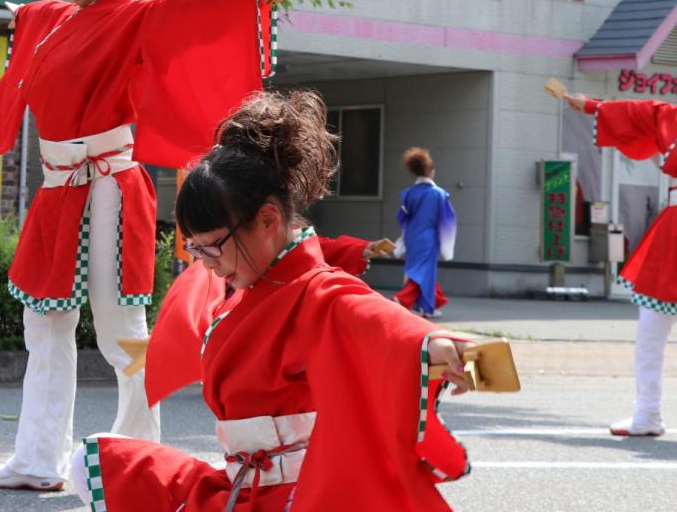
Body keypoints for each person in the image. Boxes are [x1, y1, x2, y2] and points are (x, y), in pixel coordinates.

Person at [0, 0, 301, 492]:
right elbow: (23, 15)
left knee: (120, 330)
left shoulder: (135, 16)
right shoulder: (51, 20)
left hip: (106, 188)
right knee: (44, 324)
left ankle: (143, 459)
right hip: (58, 189)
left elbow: (193, 8)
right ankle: (38, 458)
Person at [71, 90, 471, 511]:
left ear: (267, 220)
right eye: (195, 249)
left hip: (299, 497)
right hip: (240, 486)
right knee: (95, 459)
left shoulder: (315, 291)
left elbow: (372, 316)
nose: (204, 264)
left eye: (211, 248)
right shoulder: (250, 287)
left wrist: (433, 344)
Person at [564, 41, 677, 441]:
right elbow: (638, 112)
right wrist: (591, 105)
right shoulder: (676, 115)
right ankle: (647, 413)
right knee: (649, 330)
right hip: (675, 226)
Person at [393, 147, 457, 318]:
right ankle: (405, 300)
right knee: (423, 271)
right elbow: (447, 220)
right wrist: (447, 245)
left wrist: (406, 234)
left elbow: (402, 216)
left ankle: (426, 304)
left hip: (412, 236)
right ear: (429, 170)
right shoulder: (439, 194)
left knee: (416, 269)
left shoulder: (409, 193)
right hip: (429, 237)